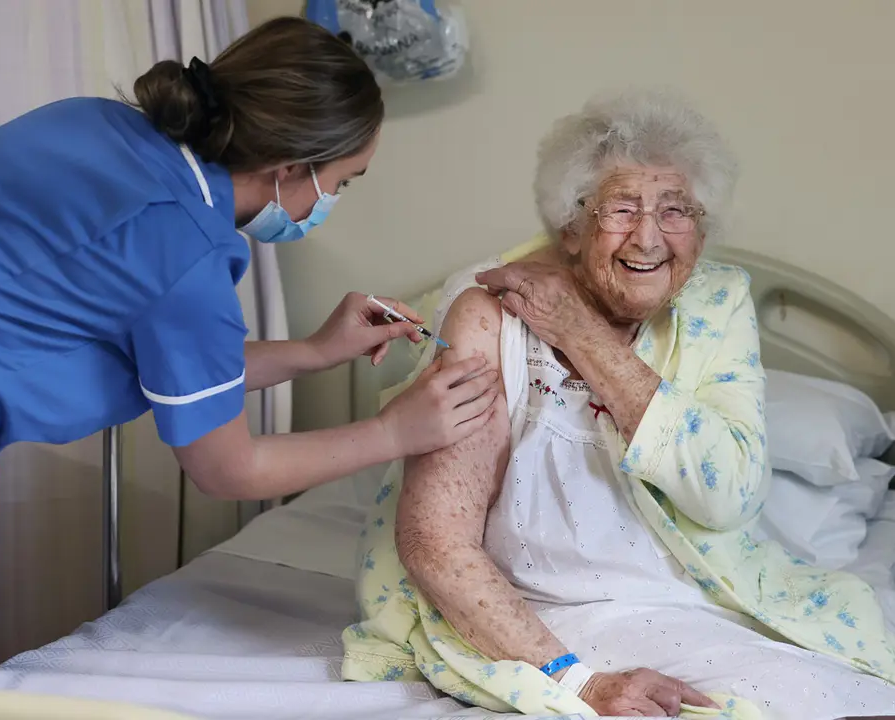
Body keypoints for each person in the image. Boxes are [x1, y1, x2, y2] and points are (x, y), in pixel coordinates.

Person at [0, 17, 499, 719]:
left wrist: (312, 353)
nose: (332, 202)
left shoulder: (93, 128)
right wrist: (395, 432)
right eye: (344, 181)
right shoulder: (183, 243)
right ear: (288, 170)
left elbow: (170, 363)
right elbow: (228, 469)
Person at [343, 88, 895, 719]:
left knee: (848, 696)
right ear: (570, 227)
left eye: (675, 210)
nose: (650, 237)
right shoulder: (488, 316)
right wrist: (577, 682)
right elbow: (435, 543)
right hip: (541, 616)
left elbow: (728, 496)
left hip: (695, 597)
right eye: (622, 209)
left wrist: (581, 332)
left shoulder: (718, 301)